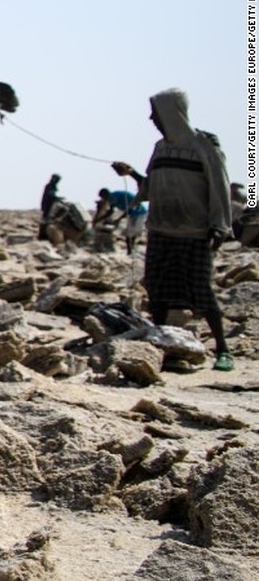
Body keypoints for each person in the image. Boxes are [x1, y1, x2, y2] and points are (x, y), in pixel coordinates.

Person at [112, 88, 233, 371]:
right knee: (157, 288)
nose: (152, 118)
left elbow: (220, 187)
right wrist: (130, 173)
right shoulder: (160, 148)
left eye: (155, 112)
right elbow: (152, 187)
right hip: (161, 231)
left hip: (193, 232)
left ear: (171, 113)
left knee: (201, 291)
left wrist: (219, 226)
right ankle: (162, 344)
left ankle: (223, 350)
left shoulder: (205, 146)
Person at [93, 187, 147, 256]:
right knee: (129, 233)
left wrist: (117, 220)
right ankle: (130, 251)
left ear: (106, 195)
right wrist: (99, 219)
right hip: (133, 213)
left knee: (132, 232)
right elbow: (111, 211)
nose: (104, 199)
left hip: (139, 213)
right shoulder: (112, 197)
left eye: (103, 197)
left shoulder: (114, 197)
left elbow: (127, 210)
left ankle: (131, 251)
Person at [39, 173, 61, 240]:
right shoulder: (49, 186)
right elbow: (50, 196)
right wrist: (57, 198)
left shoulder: (52, 186)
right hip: (47, 206)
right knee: (46, 221)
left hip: (50, 205)